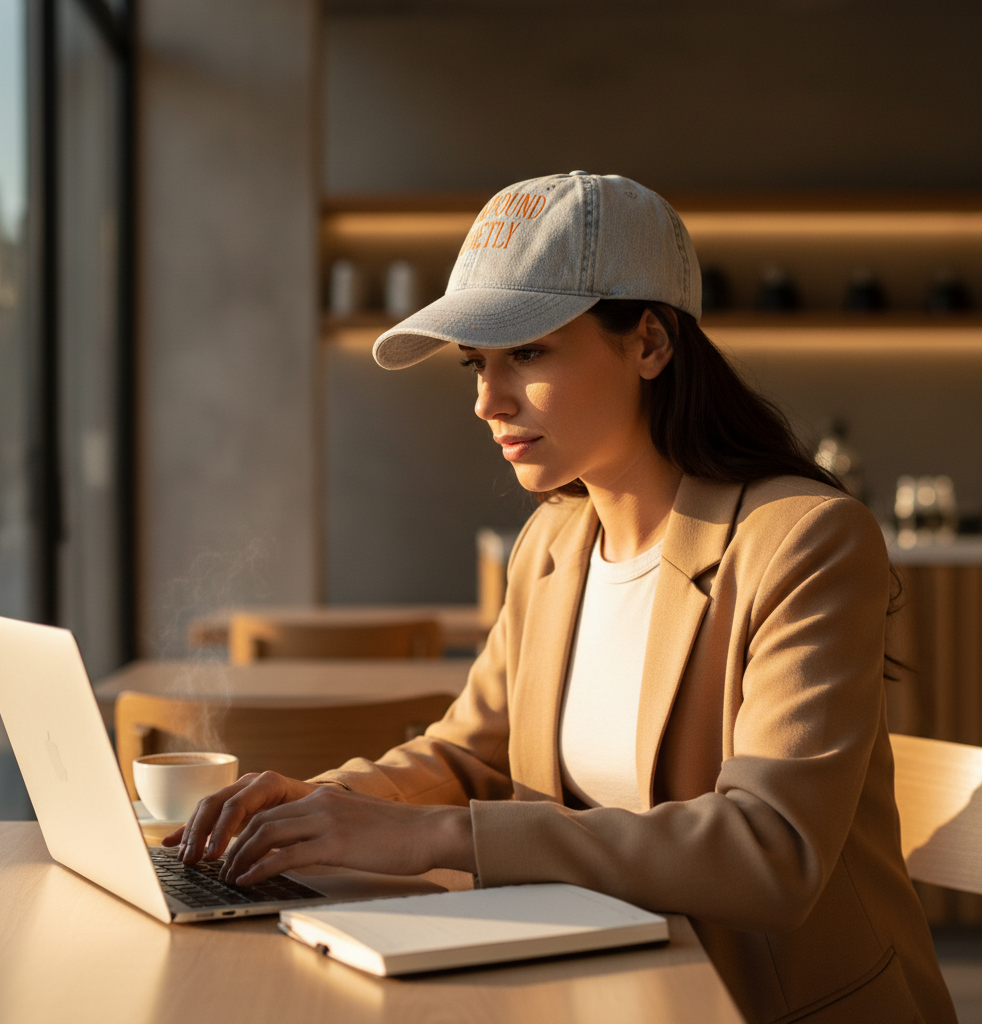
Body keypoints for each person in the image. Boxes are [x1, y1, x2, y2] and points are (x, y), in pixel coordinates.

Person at [168, 173, 955, 1023]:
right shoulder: (552, 543)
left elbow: (771, 851)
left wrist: (440, 836)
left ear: (649, 343)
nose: (487, 400)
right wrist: (318, 807)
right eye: (476, 364)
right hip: (599, 985)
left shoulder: (804, 540)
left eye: (528, 354)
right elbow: (470, 755)